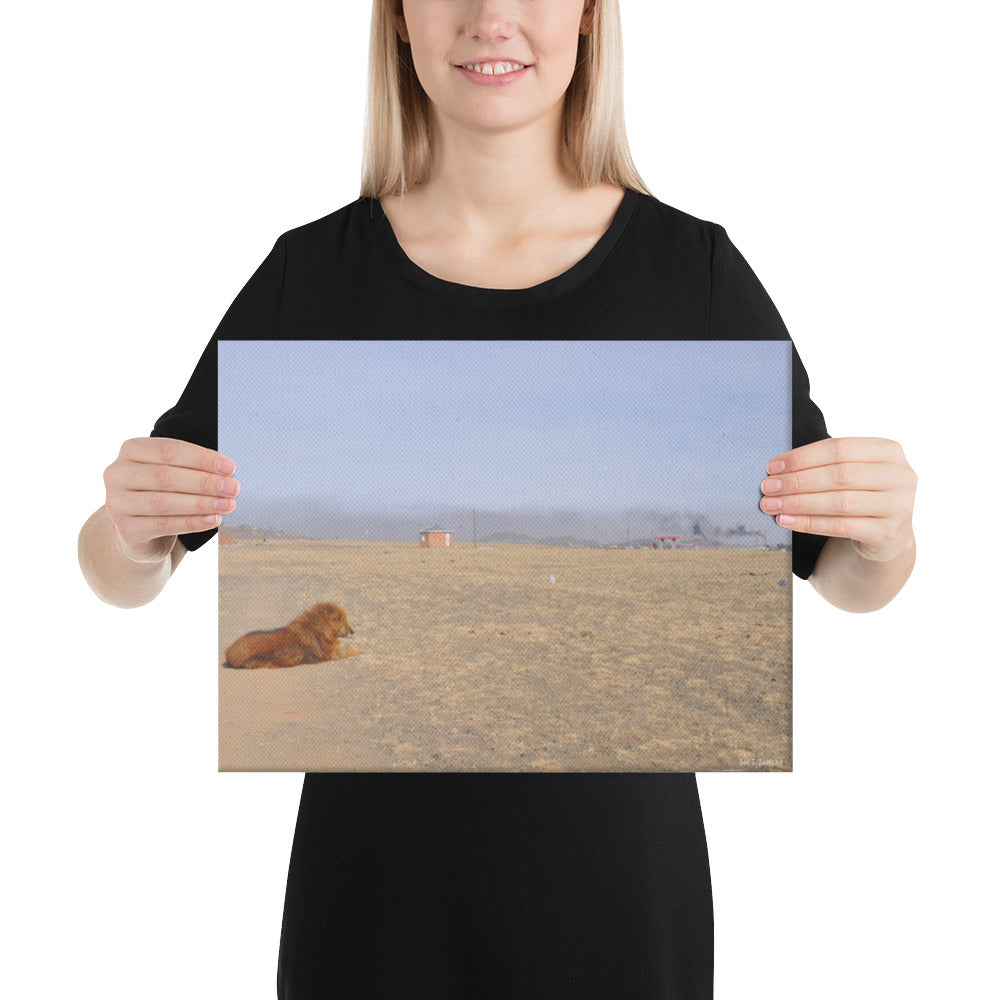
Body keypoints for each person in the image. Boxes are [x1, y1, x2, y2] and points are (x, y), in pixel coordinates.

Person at [77, 1, 917, 995]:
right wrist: (130, 532)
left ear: (591, 18)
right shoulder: (311, 277)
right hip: (369, 906)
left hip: (620, 904)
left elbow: (845, 576)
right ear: (396, 19)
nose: (491, 18)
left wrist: (885, 531)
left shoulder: (692, 274)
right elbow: (121, 569)